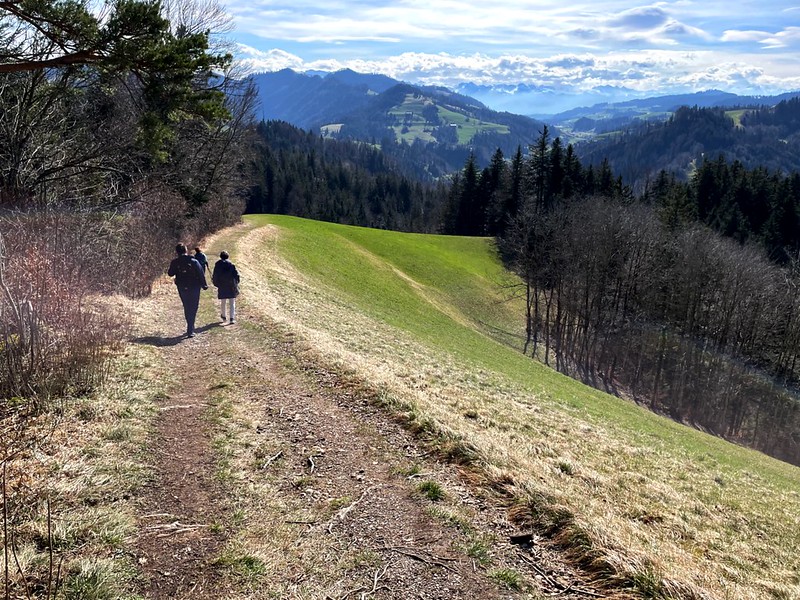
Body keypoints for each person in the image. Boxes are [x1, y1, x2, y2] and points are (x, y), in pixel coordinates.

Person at [167, 243, 208, 338]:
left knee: (186, 305)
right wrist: (204, 285)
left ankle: (189, 325)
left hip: (182, 287)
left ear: (177, 252)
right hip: (194, 286)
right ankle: (190, 328)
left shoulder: (175, 262)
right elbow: (200, 273)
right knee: (194, 306)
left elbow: (170, 273)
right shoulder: (194, 261)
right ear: (186, 250)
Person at [212, 250, 240, 324]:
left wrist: (216, 283)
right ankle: (232, 318)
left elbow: (215, 275)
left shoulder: (217, 264)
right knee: (232, 302)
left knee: (223, 302)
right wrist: (236, 283)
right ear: (228, 256)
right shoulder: (231, 264)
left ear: (220, 256)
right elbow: (236, 275)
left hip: (222, 285)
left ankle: (224, 316)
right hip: (231, 285)